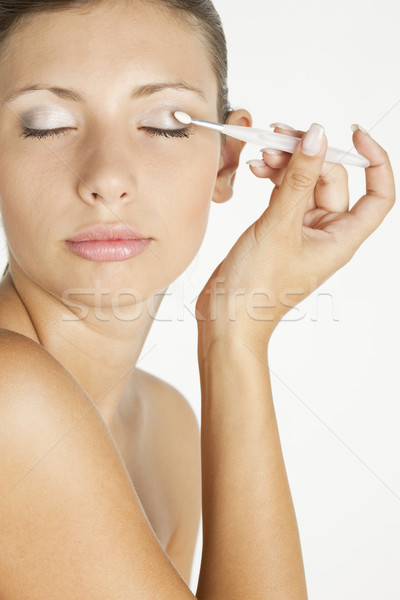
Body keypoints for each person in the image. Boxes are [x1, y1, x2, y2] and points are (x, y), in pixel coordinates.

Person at [0, 0, 395, 598]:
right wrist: (235, 344)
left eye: (164, 123)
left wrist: (233, 328)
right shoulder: (9, 400)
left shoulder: (167, 426)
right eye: (48, 124)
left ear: (224, 162)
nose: (107, 177)